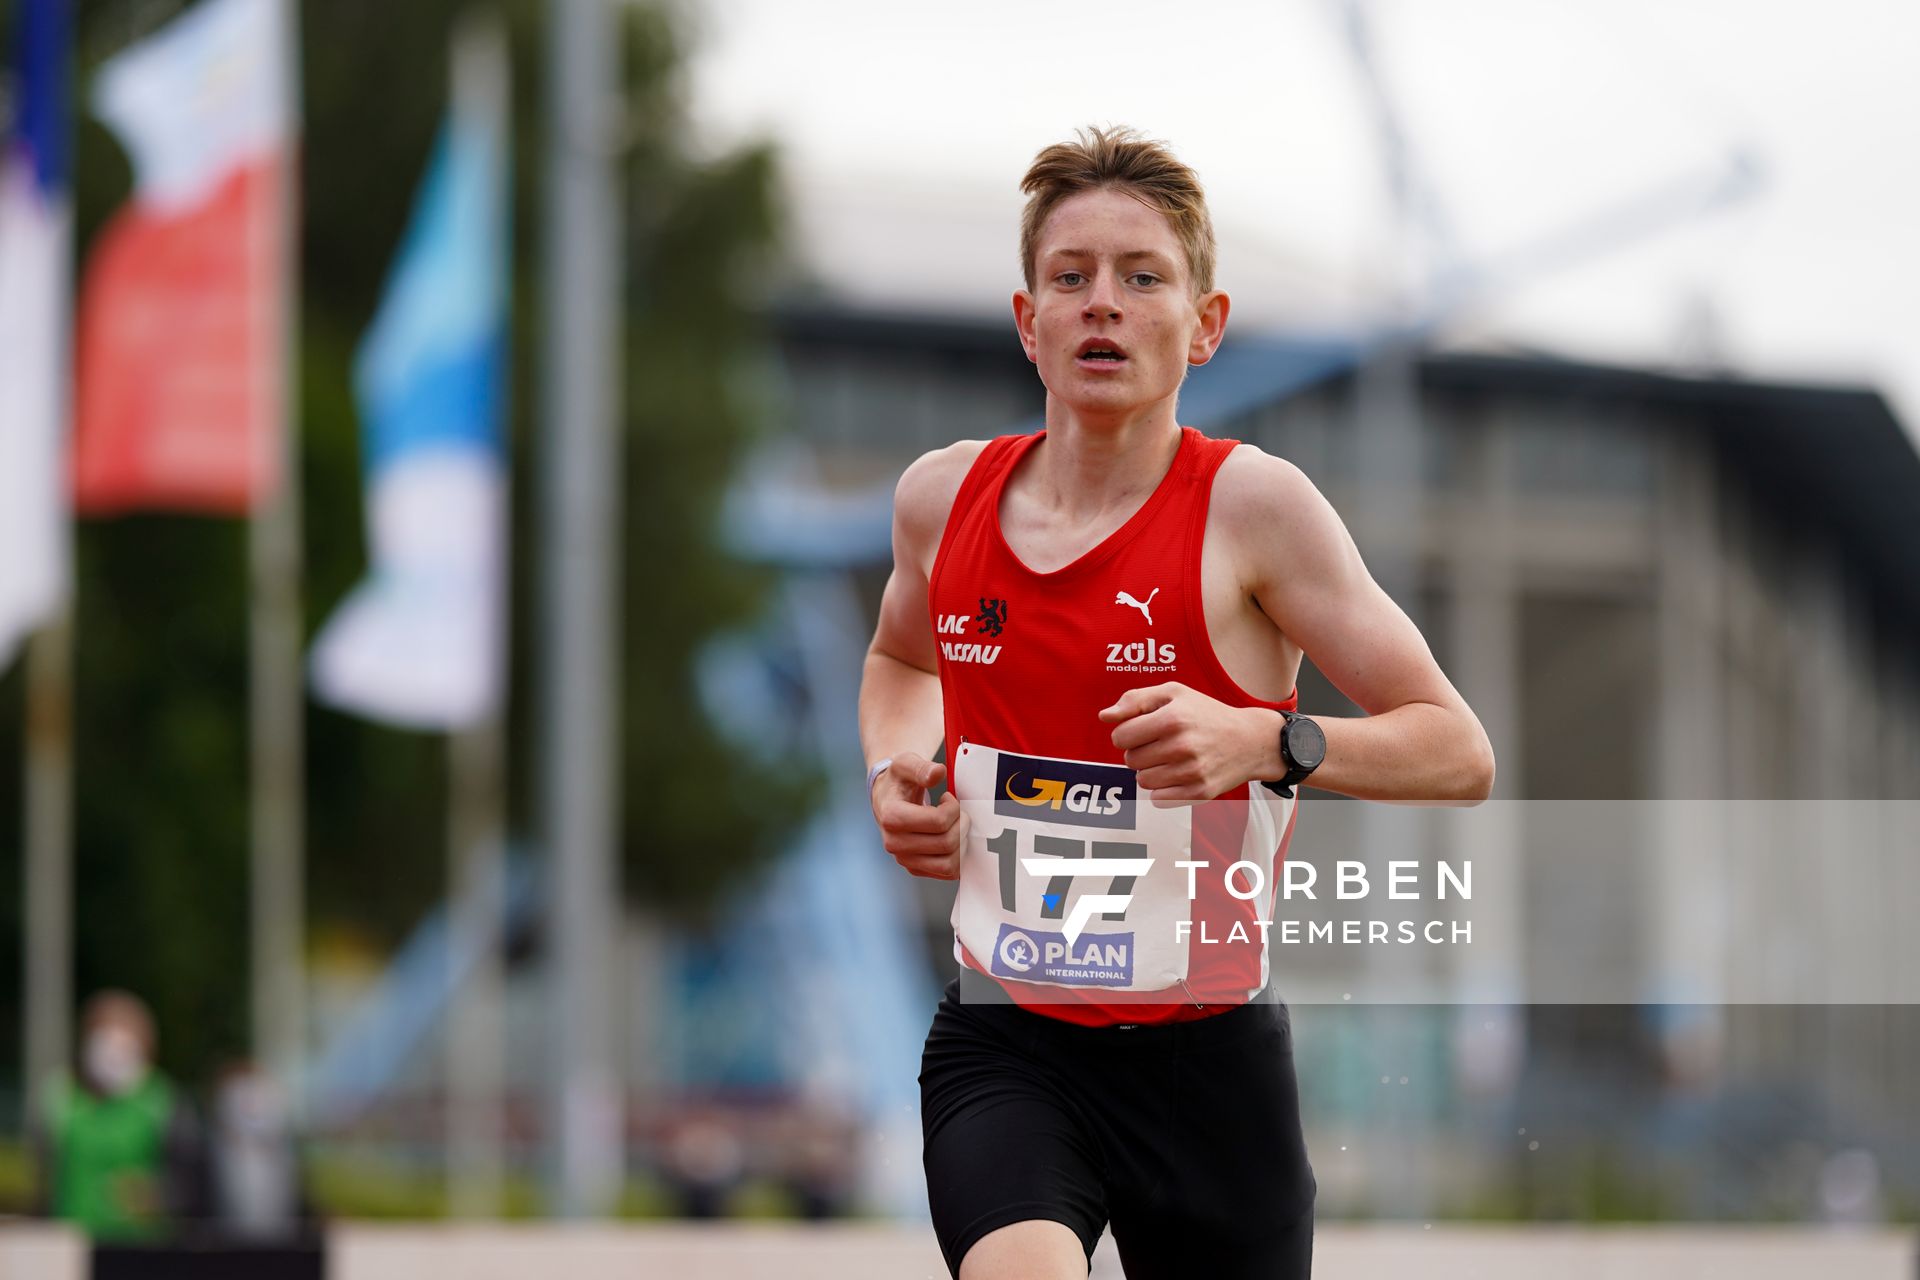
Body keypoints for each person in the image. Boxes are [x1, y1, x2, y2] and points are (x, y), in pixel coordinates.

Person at [858, 126, 1495, 1279]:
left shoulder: (1258, 511)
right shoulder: (939, 501)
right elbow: (901, 664)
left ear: (1204, 325)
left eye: (1142, 276)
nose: (1103, 303)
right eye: (1072, 277)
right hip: (1008, 1039)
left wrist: (1268, 738)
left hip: (1212, 1067)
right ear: (1027, 319)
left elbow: (1459, 751)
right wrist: (895, 769)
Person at [31, 990, 206, 1240]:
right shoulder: (60, 1097)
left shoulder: (164, 1100)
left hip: (142, 1247)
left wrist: (156, 1196)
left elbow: (190, 1183)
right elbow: (41, 1180)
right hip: (72, 1244)